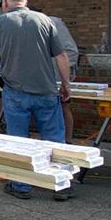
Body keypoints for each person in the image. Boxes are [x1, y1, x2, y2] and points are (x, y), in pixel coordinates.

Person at [0, 0, 72, 201]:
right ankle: (61, 186)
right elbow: (61, 56)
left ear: (5, 3)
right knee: (54, 139)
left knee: (19, 140)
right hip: (47, 91)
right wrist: (66, 84)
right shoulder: (44, 20)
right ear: (24, 1)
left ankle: (21, 186)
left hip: (16, 93)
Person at [31, 8, 79, 143]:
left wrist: (62, 78)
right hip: (37, 79)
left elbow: (71, 52)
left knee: (63, 107)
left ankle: (67, 141)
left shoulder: (53, 23)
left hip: (55, 78)